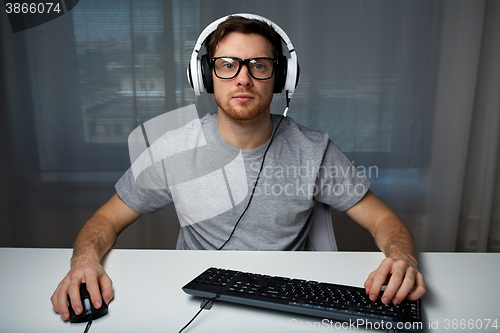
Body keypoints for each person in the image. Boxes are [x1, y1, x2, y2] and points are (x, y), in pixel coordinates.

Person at [51, 14, 425, 321]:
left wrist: (401, 258)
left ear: (280, 79)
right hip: (196, 302)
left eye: (258, 65)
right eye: (227, 65)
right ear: (205, 77)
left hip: (287, 303)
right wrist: (84, 263)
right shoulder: (173, 148)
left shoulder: (314, 150)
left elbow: (383, 220)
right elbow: (106, 219)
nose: (243, 78)